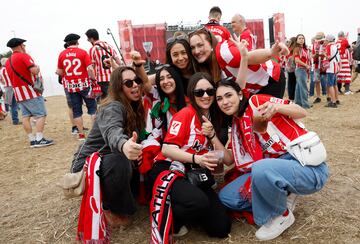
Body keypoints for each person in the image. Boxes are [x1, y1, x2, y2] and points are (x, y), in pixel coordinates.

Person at [148, 72, 232, 238]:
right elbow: (166, 149)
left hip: (194, 173)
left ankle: (189, 206)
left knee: (221, 228)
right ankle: (173, 220)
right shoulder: (186, 114)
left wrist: (213, 136)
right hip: (168, 167)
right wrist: (197, 158)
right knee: (198, 202)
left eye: (210, 91)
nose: (205, 96)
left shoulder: (216, 117)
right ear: (191, 94)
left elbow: (228, 160)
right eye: (199, 92)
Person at [70, 66, 145, 227]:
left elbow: (149, 81)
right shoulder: (112, 107)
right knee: (121, 161)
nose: (135, 85)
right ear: (118, 87)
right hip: (86, 166)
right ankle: (108, 207)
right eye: (128, 83)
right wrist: (124, 145)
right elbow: (113, 132)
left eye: (137, 80)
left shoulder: (133, 105)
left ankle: (119, 198)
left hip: (106, 159)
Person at [188, 27, 288, 98]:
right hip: (251, 88)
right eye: (192, 48)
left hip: (272, 79)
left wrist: (271, 52)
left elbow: (249, 56)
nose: (196, 51)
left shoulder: (224, 53)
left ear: (210, 44)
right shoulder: (204, 64)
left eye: (200, 45)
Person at [5, 38, 53, 147]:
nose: (25, 47)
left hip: (18, 92)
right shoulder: (24, 56)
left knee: (25, 117)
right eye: (24, 45)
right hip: (29, 91)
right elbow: (34, 71)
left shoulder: (8, 61)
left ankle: (32, 140)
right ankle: (40, 139)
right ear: (21, 46)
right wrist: (38, 68)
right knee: (41, 114)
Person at [140, 65, 188, 175]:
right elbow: (145, 83)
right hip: (166, 149)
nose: (165, 81)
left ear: (177, 78)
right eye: (161, 79)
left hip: (187, 150)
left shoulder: (189, 102)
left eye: (169, 77)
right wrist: (138, 65)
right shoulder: (159, 98)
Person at [56, 33, 97, 141]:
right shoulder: (83, 52)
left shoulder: (62, 54)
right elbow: (90, 69)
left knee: (77, 111)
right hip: (85, 85)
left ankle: (81, 135)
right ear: (77, 42)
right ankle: (94, 134)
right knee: (93, 109)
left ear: (67, 43)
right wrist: (93, 78)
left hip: (71, 87)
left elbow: (59, 72)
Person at [85, 28, 122, 99]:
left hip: (100, 80)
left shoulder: (92, 49)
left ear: (92, 39)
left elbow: (91, 67)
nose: (88, 41)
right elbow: (119, 62)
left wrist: (93, 81)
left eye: (88, 39)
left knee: (102, 103)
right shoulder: (109, 46)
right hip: (112, 78)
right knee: (113, 99)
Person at [293, 34, 311, 108]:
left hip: (302, 69)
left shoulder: (304, 49)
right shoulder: (297, 48)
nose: (301, 39)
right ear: (297, 40)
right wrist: (306, 65)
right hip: (300, 69)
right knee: (303, 87)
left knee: (299, 87)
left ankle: (298, 103)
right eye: (299, 38)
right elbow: (296, 60)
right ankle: (305, 104)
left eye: (302, 38)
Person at [0, 57, 20, 125]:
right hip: (12, 86)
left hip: (6, 88)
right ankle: (15, 120)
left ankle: (15, 119)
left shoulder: (1, 70)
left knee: (12, 105)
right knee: (14, 104)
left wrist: (4, 83)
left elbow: (1, 80)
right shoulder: (9, 68)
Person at [324, 34, 340, 107]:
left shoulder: (329, 46)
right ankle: (337, 99)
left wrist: (324, 54)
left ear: (328, 40)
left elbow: (328, 57)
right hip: (335, 66)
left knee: (330, 85)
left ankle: (333, 102)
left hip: (330, 67)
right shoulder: (335, 46)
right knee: (334, 84)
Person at [311, 32, 328, 104]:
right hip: (316, 65)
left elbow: (328, 54)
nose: (318, 40)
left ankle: (328, 96)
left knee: (327, 81)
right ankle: (318, 97)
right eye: (317, 38)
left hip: (325, 65)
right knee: (317, 81)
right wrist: (316, 55)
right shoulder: (314, 45)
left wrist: (323, 55)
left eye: (320, 38)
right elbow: (312, 55)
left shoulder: (326, 44)